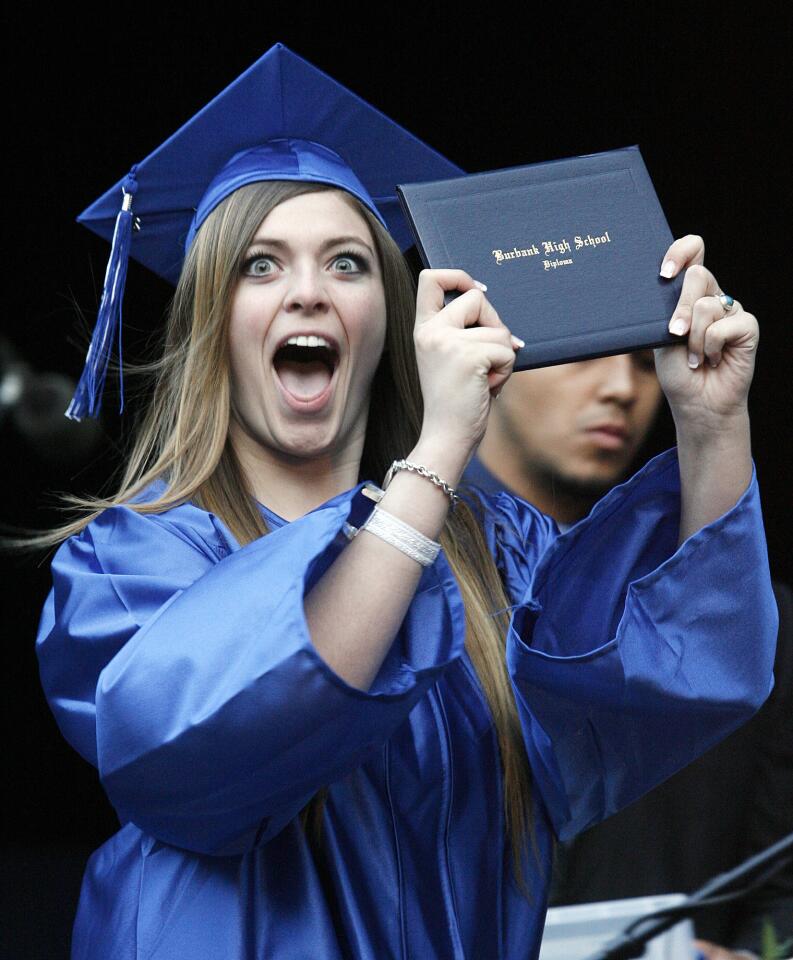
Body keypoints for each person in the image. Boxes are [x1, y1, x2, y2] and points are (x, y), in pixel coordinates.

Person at [35, 44, 777, 959]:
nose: (307, 291)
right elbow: (213, 753)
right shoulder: (131, 560)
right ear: (210, 324)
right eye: (260, 267)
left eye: (347, 264)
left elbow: (676, 670)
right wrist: (436, 454)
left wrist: (709, 424)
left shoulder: (491, 551)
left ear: (391, 315)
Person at [468, 353, 793, 956]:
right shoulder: (388, 594)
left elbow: (779, 887)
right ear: (491, 355)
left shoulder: (749, 624)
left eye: (648, 364)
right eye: (583, 352)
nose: (621, 387)